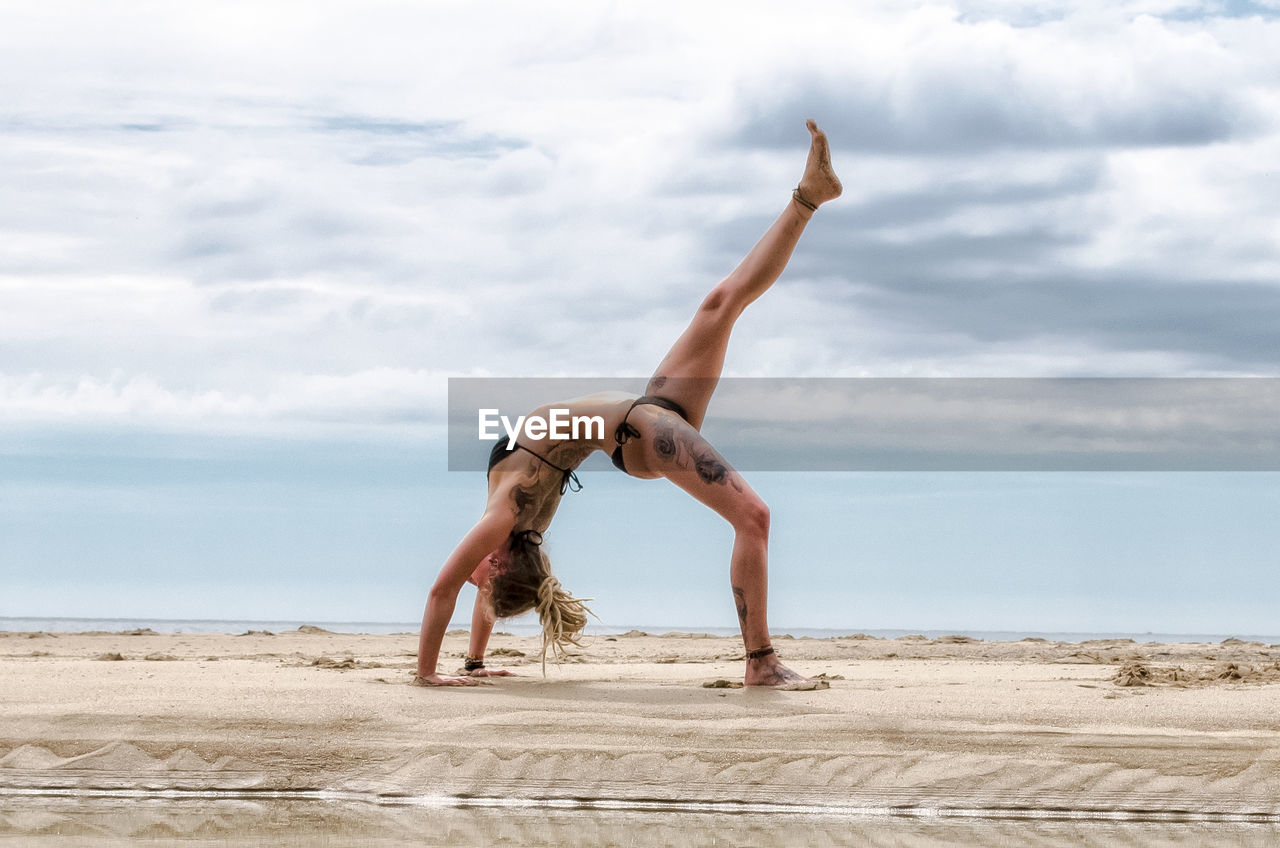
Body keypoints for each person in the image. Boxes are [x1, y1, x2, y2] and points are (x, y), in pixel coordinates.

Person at [415, 120, 843, 689]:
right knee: (755, 517)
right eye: (485, 580)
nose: (473, 579)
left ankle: (809, 196)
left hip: (643, 425)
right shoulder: (507, 517)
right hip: (641, 431)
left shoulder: (513, 526)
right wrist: (425, 678)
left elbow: (471, 589)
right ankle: (760, 663)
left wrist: (469, 665)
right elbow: (444, 589)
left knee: (721, 304)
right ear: (497, 562)